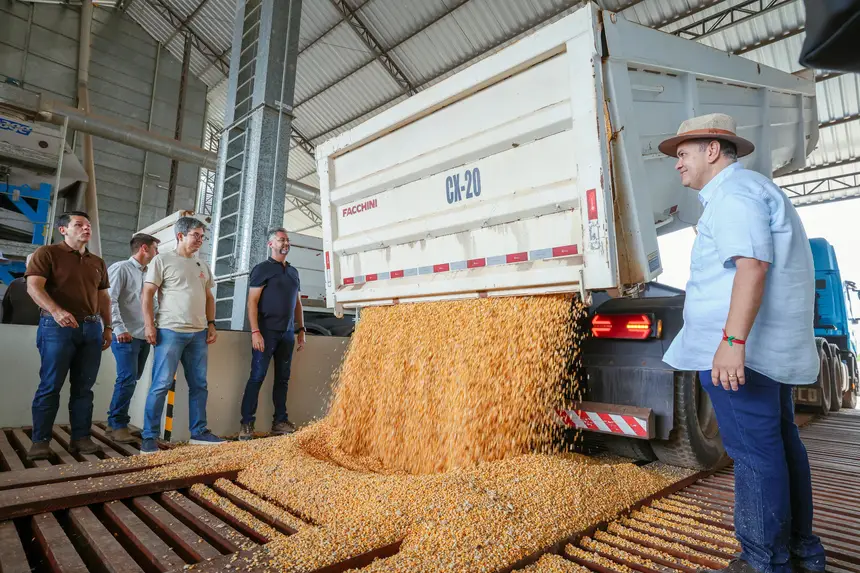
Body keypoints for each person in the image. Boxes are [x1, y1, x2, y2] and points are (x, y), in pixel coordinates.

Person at [659, 114, 826, 573]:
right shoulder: (748, 192)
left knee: (755, 454)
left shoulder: (734, 195)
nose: (678, 165)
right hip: (761, 352)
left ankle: (762, 561)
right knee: (779, 445)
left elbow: (751, 266)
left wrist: (732, 341)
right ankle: (800, 553)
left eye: (684, 154)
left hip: (743, 355)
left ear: (713, 149)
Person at [24, 212, 112, 460]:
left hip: (92, 327)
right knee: (50, 385)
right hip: (56, 328)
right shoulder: (48, 254)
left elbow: (104, 297)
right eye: (79, 225)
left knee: (84, 387)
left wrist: (108, 327)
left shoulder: (97, 262)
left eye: (88, 225)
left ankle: (81, 438)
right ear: (63, 230)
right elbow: (33, 287)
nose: (86, 228)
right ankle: (40, 441)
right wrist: (56, 311)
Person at [140, 216, 223, 453]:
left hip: (198, 334)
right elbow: (147, 295)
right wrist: (149, 326)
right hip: (169, 331)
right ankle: (149, 437)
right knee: (161, 385)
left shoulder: (202, 265)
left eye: (202, 236)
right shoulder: (162, 260)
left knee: (199, 384)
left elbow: (209, 298)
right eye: (195, 235)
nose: (200, 240)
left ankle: (199, 432)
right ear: (180, 236)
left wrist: (211, 324)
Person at [238, 228, 306, 441]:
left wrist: (301, 329)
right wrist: (255, 331)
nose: (285, 243)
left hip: (287, 333)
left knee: (283, 379)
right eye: (281, 240)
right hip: (266, 332)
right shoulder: (262, 269)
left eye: (287, 239)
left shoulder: (293, 272)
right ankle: (247, 423)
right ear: (270, 244)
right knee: (257, 377)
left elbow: (298, 303)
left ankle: (280, 422)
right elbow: (252, 302)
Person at [105, 233, 160, 443]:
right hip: (125, 335)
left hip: (142, 335)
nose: (157, 253)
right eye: (155, 248)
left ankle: (114, 423)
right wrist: (119, 329)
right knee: (127, 378)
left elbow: (151, 304)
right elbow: (110, 300)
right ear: (144, 248)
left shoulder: (149, 274)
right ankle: (118, 424)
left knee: (131, 378)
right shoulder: (121, 269)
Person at [2, 254, 41, 326]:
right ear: (26, 265)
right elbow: (6, 307)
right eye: (32, 263)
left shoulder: (52, 286)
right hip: (16, 328)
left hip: (42, 329)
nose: (34, 266)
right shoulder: (15, 284)